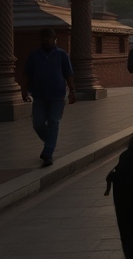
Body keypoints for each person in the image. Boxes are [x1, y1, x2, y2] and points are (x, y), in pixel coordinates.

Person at [20, 28, 76, 167]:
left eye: (48, 38)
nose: (46, 40)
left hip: (57, 95)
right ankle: (50, 143)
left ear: (54, 39)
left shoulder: (61, 55)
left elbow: (68, 74)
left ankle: (48, 152)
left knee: (53, 121)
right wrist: (24, 90)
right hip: (39, 96)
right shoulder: (34, 56)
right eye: (43, 38)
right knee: (38, 124)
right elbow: (27, 75)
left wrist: (72, 91)